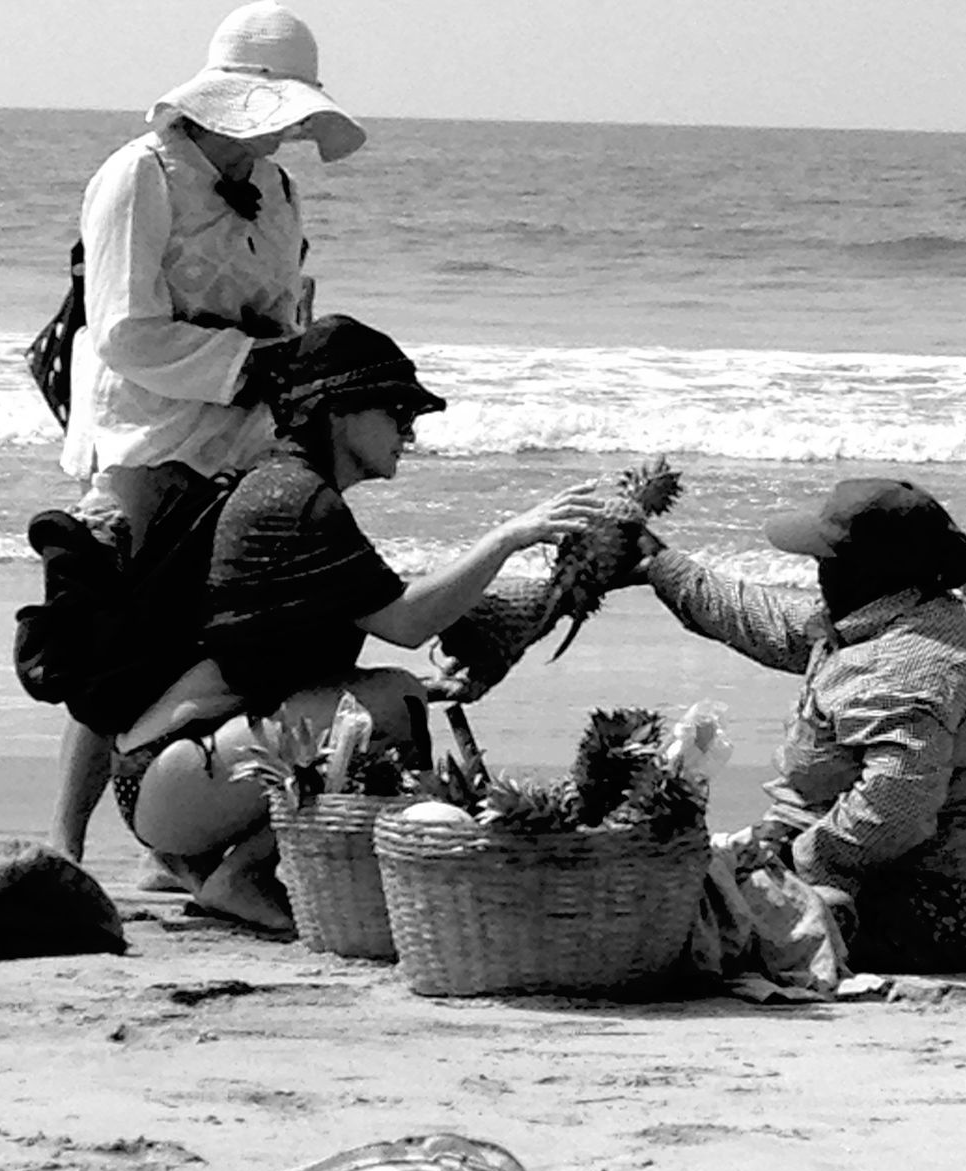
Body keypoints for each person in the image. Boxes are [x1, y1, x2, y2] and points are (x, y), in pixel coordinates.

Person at [109, 314, 607, 930]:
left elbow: (291, 664)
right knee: (391, 699)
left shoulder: (285, 486)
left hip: (169, 767)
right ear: (339, 411)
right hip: (174, 774)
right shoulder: (300, 501)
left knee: (394, 702)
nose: (411, 435)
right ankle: (241, 876)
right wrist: (510, 537)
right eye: (398, 413)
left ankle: (237, 868)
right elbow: (404, 622)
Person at [46, 1, 366, 862]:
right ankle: (65, 845)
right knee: (111, 641)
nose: (281, 136)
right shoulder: (137, 175)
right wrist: (248, 361)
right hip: (141, 435)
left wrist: (293, 367)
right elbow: (122, 330)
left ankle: (176, 847)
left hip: (238, 433)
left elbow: (274, 312)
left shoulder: (275, 189)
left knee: (210, 633)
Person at [634, 477, 966, 973]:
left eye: (825, 560)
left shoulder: (912, 663)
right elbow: (762, 620)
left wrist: (800, 863)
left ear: (864, 571)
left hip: (942, 903)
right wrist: (660, 564)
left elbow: (896, 807)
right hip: (869, 869)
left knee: (698, 924)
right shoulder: (876, 620)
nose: (816, 571)